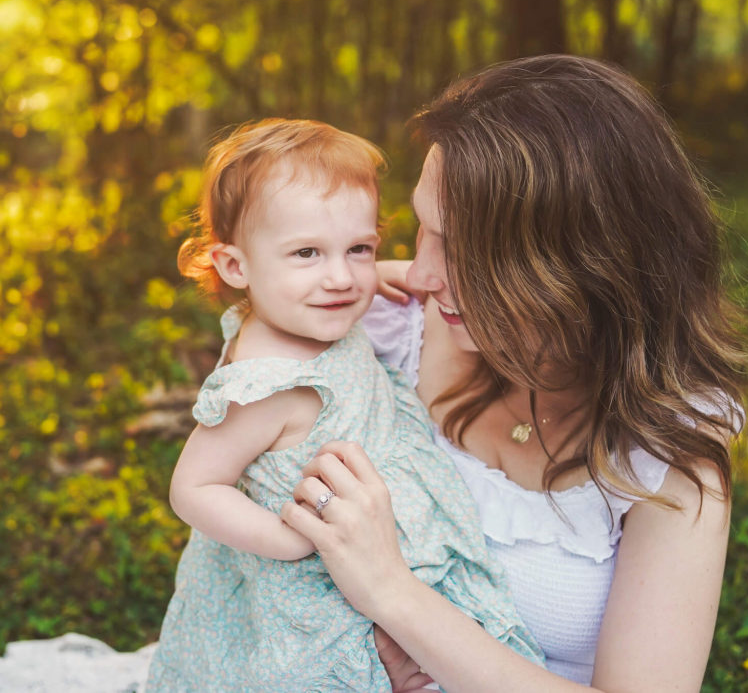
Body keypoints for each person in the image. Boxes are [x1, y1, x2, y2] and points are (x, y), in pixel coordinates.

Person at [282, 55, 748, 692]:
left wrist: (389, 591)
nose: (419, 272)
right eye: (422, 229)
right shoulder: (394, 324)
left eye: (459, 247)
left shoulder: (670, 446)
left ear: (575, 267)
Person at [145, 118, 542, 692]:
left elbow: (337, 274)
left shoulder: (308, 312)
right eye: (307, 252)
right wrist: (289, 541)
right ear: (236, 266)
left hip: (369, 551)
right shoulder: (270, 385)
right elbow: (195, 487)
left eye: (358, 248)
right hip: (318, 586)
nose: (339, 278)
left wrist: (377, 273)